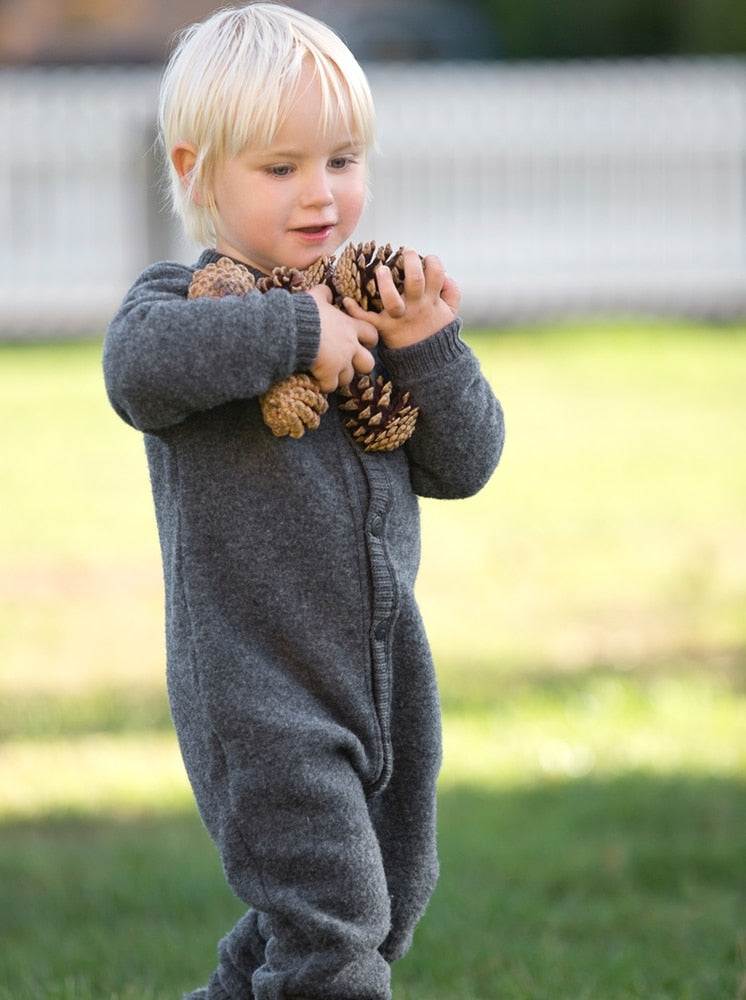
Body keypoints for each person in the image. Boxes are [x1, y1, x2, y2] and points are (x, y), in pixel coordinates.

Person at [102, 4, 504, 999]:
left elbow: (466, 463)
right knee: (333, 929)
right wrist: (295, 332)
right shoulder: (184, 305)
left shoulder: (376, 309)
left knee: (381, 904)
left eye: (342, 160)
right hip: (258, 695)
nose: (321, 192)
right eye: (281, 168)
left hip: (387, 681)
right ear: (199, 172)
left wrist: (426, 348)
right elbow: (135, 370)